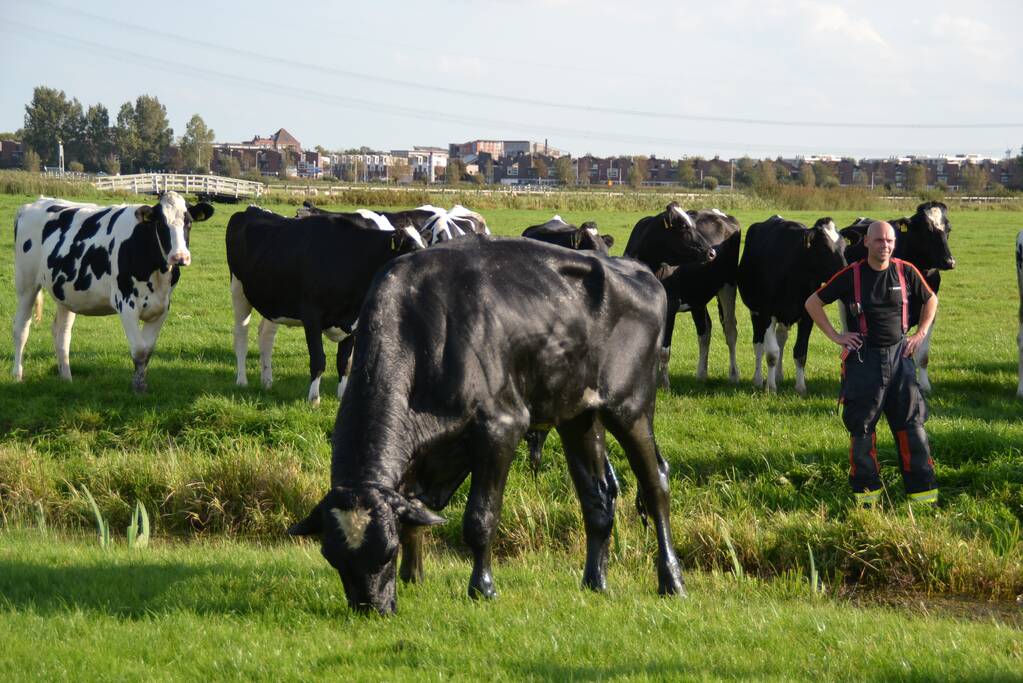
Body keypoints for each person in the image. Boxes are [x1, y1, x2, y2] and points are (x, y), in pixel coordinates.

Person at [805, 221, 939, 506]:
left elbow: (931, 300)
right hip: (864, 360)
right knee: (862, 428)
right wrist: (836, 336)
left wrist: (920, 334)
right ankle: (867, 498)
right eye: (879, 240)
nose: (885, 246)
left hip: (901, 358)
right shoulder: (851, 275)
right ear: (866, 242)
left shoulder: (906, 271)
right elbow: (813, 303)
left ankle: (923, 496)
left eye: (889, 240)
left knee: (912, 426)